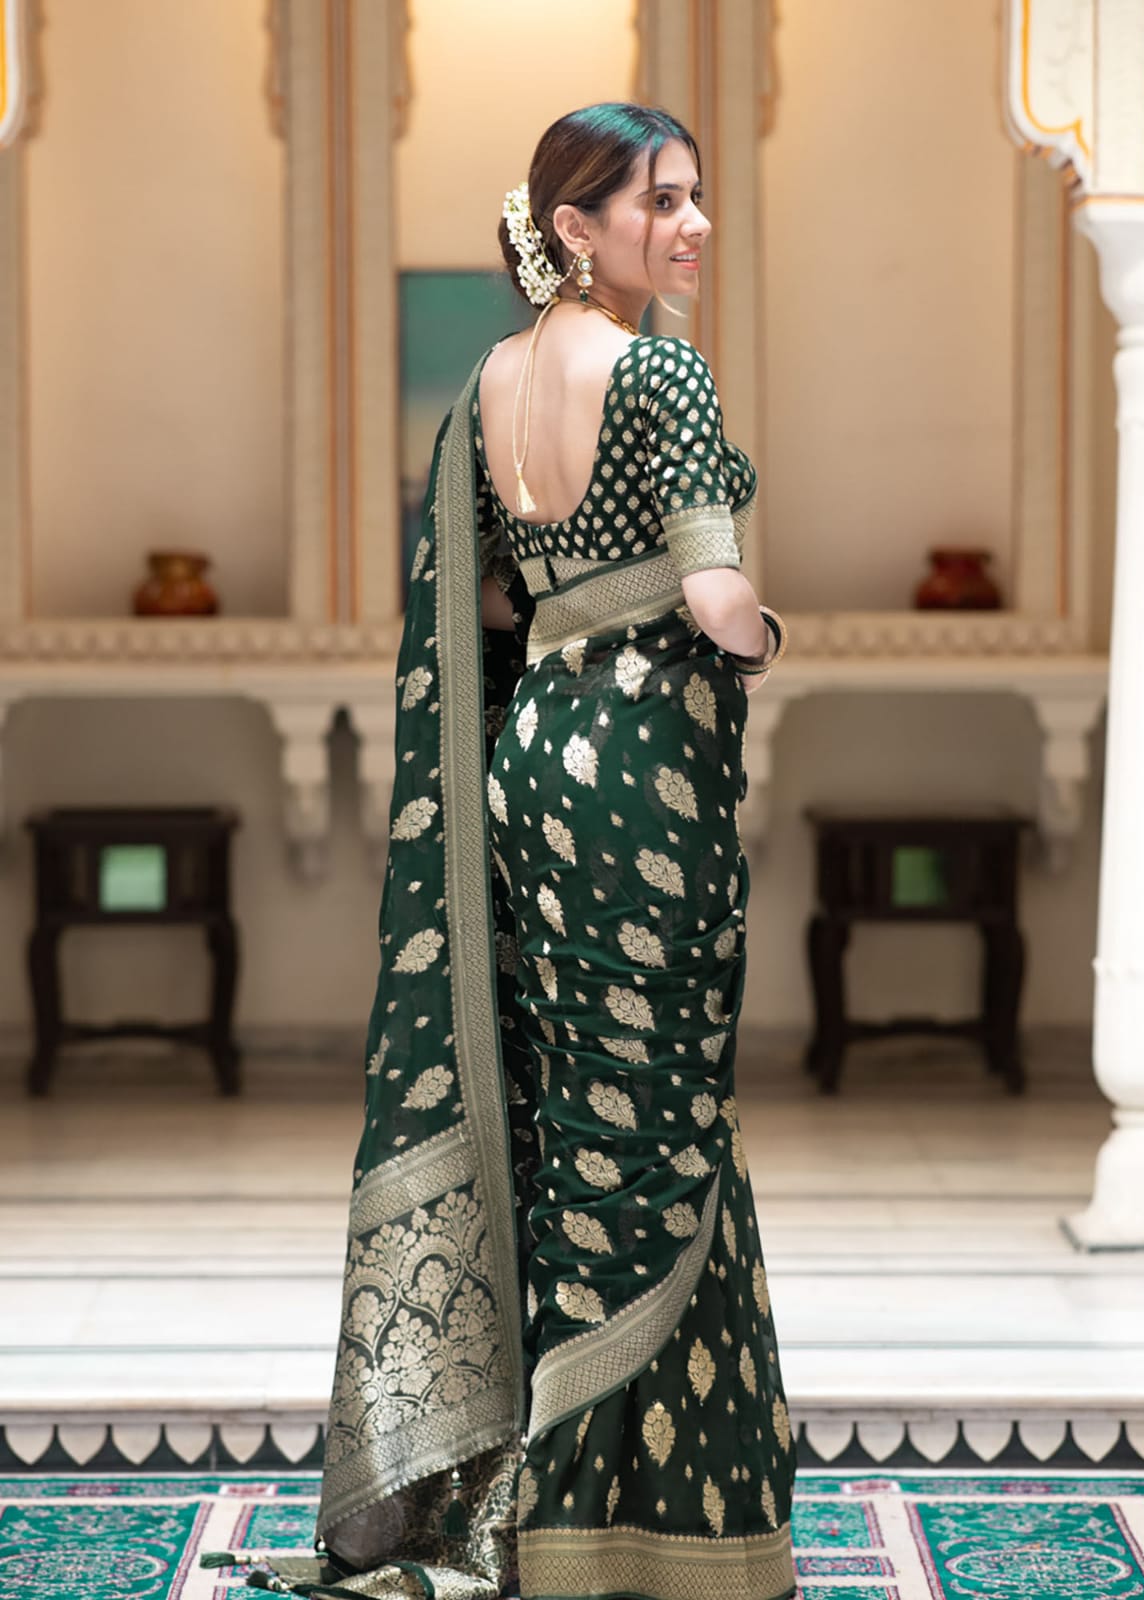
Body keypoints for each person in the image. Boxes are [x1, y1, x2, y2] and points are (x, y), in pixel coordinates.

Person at [203, 101, 795, 1600]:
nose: (692, 224)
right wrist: (759, 634)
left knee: (569, 1119)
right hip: (642, 784)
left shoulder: (485, 386)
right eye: (661, 202)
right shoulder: (658, 369)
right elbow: (719, 596)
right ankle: (647, 1526)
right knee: (658, 1133)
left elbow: (483, 621)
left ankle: (543, 1512)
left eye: (697, 195)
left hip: (535, 767)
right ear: (578, 229)